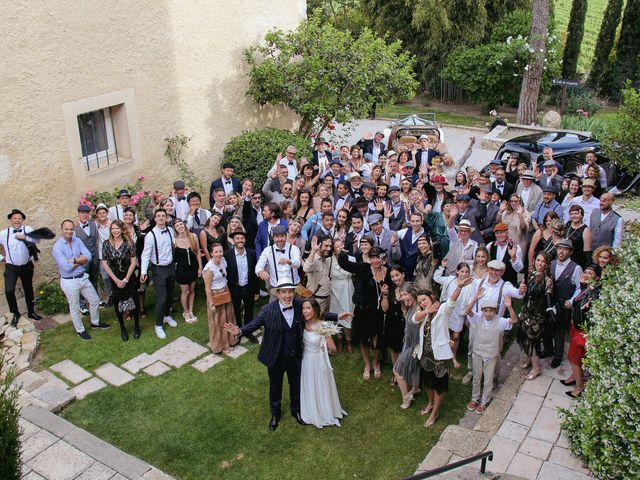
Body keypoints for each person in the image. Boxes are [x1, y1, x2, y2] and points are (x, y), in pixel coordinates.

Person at [222, 279, 349, 431]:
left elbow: (316, 312)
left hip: (295, 356)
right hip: (275, 357)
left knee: (295, 385)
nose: (287, 295)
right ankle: (275, 414)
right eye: (284, 292)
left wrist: (336, 316)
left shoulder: (298, 305)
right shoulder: (267, 310)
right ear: (278, 294)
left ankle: (296, 411)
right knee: (275, 387)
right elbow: (254, 324)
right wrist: (240, 331)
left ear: (293, 293)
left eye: (290, 292)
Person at [416, 277, 471, 427]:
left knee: (439, 384)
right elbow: (414, 319)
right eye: (420, 301)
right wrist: (426, 311)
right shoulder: (422, 314)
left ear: (431, 297)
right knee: (428, 382)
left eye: (424, 299)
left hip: (439, 356)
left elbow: (451, 301)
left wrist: (459, 287)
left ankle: (435, 413)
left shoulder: (442, 311)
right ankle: (430, 403)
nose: (422, 303)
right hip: (425, 355)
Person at [51, 219, 110, 340]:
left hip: (82, 277)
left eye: (71, 229)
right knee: (75, 307)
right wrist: (80, 260)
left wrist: (74, 260)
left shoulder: (77, 240)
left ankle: (95, 323)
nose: (69, 231)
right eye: (66, 229)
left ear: (74, 230)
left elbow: (88, 256)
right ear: (61, 230)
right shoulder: (57, 247)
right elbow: (66, 268)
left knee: (94, 300)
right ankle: (80, 330)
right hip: (69, 281)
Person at [338, 246, 390, 380]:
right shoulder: (363, 268)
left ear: (383, 258)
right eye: (373, 257)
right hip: (362, 310)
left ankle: (376, 362)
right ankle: (367, 364)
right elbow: (344, 264)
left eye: (378, 257)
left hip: (377, 311)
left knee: (377, 339)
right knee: (362, 339)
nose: (375, 260)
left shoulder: (388, 272)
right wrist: (345, 250)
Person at [465, 291, 518, 413]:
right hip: (478, 352)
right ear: (482, 310)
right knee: (477, 378)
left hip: (491, 354)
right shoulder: (478, 318)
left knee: (488, 380)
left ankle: (484, 401)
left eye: (491, 311)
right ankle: (475, 399)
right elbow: (467, 311)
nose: (488, 313)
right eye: (486, 310)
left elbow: (513, 320)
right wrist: (475, 299)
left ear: (495, 311)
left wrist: (509, 306)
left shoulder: (500, 321)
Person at [299, 297, 348, 428]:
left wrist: (327, 348)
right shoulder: (301, 324)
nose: (305, 311)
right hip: (306, 362)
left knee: (321, 385)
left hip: (319, 361)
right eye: (303, 308)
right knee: (310, 385)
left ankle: (324, 410)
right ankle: (311, 409)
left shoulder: (323, 326)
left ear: (314, 310)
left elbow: (334, 350)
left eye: (308, 308)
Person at [564, 264, 601, 398]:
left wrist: (592, 297)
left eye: (591, 273)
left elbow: (594, 300)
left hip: (583, 331)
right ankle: (574, 376)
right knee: (572, 356)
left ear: (597, 278)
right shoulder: (585, 288)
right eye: (585, 272)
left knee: (575, 359)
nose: (586, 275)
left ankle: (579, 388)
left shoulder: (594, 292)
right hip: (576, 326)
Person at [1, 209, 43, 326]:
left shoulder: (27, 229)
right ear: (11, 219)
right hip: (11, 267)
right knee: (9, 290)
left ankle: (31, 312)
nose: (17, 220)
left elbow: (36, 239)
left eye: (19, 218)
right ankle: (15, 314)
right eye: (15, 218)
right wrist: (1, 258)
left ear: (22, 220)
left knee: (28, 289)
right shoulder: (4, 233)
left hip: (27, 266)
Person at [140, 209, 177, 339]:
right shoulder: (151, 235)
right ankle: (158, 325)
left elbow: (173, 246)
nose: (161, 218)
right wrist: (143, 272)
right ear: (155, 219)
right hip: (159, 269)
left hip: (171, 267)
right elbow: (145, 255)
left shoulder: (171, 231)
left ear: (166, 218)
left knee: (170, 294)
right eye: (159, 216)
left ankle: (167, 316)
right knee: (161, 298)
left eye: (163, 216)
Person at [545, 239, 582, 368]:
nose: (561, 252)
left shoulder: (576, 268)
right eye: (559, 248)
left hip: (563, 304)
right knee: (547, 327)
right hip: (550, 301)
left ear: (570, 252)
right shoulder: (551, 263)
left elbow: (579, 288)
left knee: (559, 330)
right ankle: (548, 350)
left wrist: (571, 301)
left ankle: (557, 355)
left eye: (565, 249)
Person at [101, 220, 140, 341]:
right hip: (115, 278)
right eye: (112, 228)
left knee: (134, 302)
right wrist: (117, 280)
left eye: (117, 228)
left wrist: (126, 279)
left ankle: (137, 326)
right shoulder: (106, 244)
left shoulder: (129, 242)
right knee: (118, 304)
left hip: (129, 277)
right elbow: (105, 263)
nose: (115, 231)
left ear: (122, 229)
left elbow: (134, 261)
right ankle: (122, 328)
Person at [517, 253, 554, 380]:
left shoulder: (548, 279)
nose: (539, 263)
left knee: (533, 341)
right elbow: (526, 292)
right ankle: (529, 360)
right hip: (527, 312)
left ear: (546, 264)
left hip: (537, 316)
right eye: (538, 260)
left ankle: (536, 368)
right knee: (525, 338)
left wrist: (550, 308)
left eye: (543, 261)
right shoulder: (531, 275)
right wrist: (522, 289)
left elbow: (548, 294)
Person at [392, 283, 422, 409]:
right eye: (402, 295)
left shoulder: (419, 309)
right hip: (409, 342)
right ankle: (415, 388)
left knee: (397, 370)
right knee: (414, 367)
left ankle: (406, 398)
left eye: (406, 294)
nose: (403, 298)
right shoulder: (409, 307)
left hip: (416, 346)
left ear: (413, 293)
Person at [223, 230, 258, 338]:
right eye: (237, 238)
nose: (240, 240)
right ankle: (238, 331)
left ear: (245, 240)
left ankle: (248, 331)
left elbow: (254, 272)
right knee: (236, 310)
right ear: (233, 241)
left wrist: (256, 290)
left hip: (248, 286)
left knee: (249, 309)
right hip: (235, 288)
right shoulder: (227, 255)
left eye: (242, 238)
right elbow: (225, 274)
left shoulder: (251, 253)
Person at [203, 243, 236, 354]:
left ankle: (230, 341)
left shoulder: (223, 261)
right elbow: (207, 288)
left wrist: (229, 293)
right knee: (218, 322)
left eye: (220, 251)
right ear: (211, 253)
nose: (219, 254)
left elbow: (224, 279)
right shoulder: (209, 269)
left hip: (225, 293)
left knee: (228, 319)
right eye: (216, 252)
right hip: (215, 295)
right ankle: (220, 346)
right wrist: (211, 303)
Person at [255, 224, 301, 300]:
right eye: (277, 236)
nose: (280, 239)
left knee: (295, 310)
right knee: (273, 310)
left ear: (286, 236)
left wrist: (290, 261)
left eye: (282, 236)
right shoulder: (268, 250)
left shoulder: (294, 248)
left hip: (293, 288)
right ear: (273, 238)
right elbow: (259, 265)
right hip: (276, 289)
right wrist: (260, 271)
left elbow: (298, 263)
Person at [173, 218, 202, 323]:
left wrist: (200, 267)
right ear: (175, 229)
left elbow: (198, 252)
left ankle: (190, 310)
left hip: (193, 267)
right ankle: (185, 312)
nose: (180, 227)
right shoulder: (174, 240)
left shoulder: (193, 236)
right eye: (177, 226)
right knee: (186, 291)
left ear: (184, 225)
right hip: (181, 269)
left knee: (192, 290)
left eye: (181, 224)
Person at [74, 204, 100, 315]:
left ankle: (94, 300)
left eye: (86, 213)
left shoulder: (94, 224)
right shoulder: (75, 229)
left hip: (94, 256)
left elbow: (97, 240)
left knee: (94, 279)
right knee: (83, 281)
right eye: (82, 213)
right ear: (79, 214)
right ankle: (82, 305)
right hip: (83, 259)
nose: (85, 215)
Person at [381, 265, 406, 379]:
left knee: (404, 350)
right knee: (394, 349)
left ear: (403, 274)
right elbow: (384, 309)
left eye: (397, 275)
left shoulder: (410, 288)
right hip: (392, 324)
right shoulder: (390, 290)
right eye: (392, 276)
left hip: (405, 324)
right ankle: (396, 371)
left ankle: (404, 372)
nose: (395, 279)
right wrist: (385, 296)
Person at [329, 238, 354, 353]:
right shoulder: (329, 261)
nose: (341, 248)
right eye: (338, 247)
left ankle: (349, 340)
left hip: (348, 288)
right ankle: (339, 339)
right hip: (335, 289)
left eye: (342, 245)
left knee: (347, 312)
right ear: (334, 250)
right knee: (336, 314)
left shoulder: (350, 258)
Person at [303, 235, 333, 315]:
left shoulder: (326, 259)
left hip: (327, 298)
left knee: (324, 322)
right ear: (319, 245)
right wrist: (313, 250)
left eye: (330, 246)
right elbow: (306, 268)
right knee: (316, 324)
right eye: (326, 246)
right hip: (317, 300)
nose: (329, 249)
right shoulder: (314, 259)